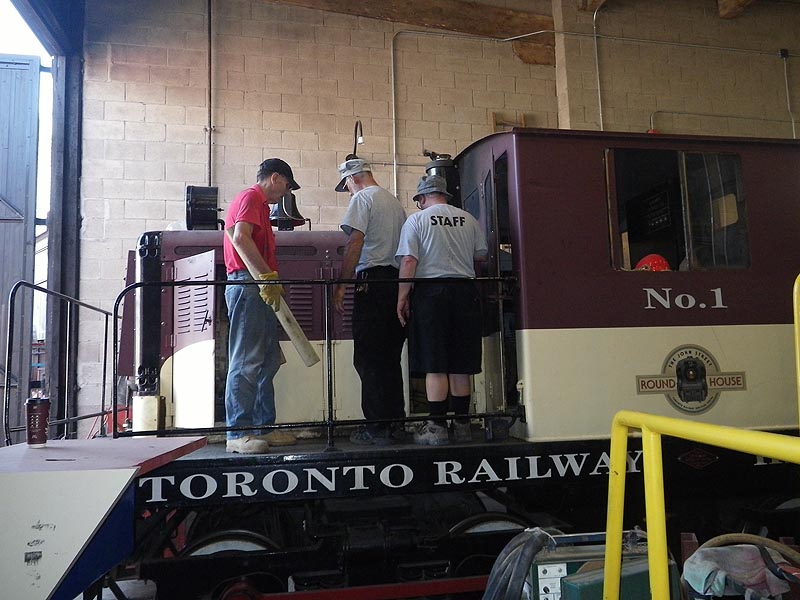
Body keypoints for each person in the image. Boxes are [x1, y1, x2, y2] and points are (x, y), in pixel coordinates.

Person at [396, 174, 488, 445]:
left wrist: (402, 296)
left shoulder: (417, 220)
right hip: (465, 293)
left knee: (434, 362)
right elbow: (481, 254)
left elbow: (409, 261)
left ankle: (436, 427)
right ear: (445, 196)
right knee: (460, 363)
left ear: (422, 198)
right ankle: (462, 425)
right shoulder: (468, 219)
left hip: (431, 294)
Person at [223, 158, 300, 454]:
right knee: (247, 359)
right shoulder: (250, 198)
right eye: (287, 186)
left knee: (268, 359)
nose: (286, 192)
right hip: (248, 283)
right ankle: (237, 432)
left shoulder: (261, 206)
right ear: (275, 178)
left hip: (257, 284)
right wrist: (265, 278)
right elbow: (241, 239)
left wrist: (268, 279)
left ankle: (263, 427)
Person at [334, 158, 408, 445]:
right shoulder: (395, 203)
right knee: (390, 358)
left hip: (371, 283)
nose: (348, 191)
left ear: (352, 178)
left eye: (347, 185)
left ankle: (376, 427)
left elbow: (355, 241)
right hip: (395, 282)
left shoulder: (362, 199)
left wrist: (342, 284)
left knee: (368, 358)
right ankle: (395, 423)